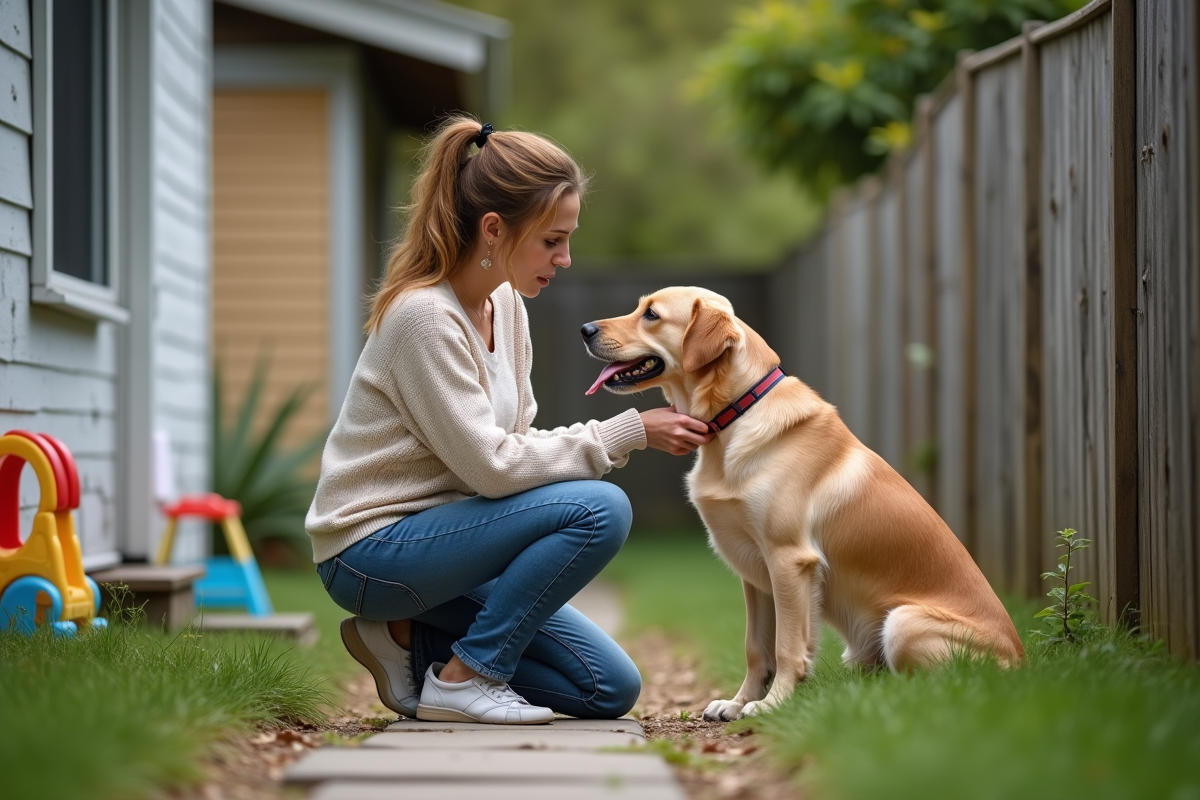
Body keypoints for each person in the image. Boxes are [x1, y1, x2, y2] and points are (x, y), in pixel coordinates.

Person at [305, 117, 713, 725]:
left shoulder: (505, 305)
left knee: (608, 688)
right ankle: (469, 677)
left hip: (452, 547)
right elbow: (494, 468)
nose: (565, 258)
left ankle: (407, 643)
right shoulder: (425, 319)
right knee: (602, 509)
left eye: (568, 240)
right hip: (373, 551)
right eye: (552, 240)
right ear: (494, 229)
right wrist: (630, 431)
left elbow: (515, 447)